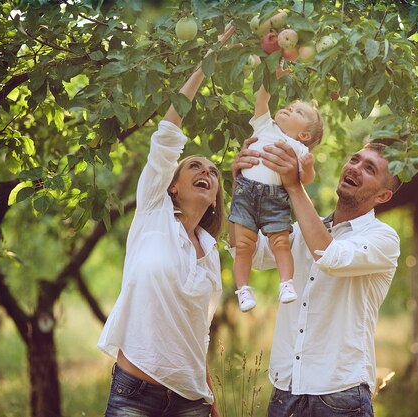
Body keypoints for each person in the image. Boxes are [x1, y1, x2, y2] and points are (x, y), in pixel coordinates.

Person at [97, 22, 235, 417]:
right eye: (195, 165)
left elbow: (198, 332)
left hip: (191, 399)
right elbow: (168, 131)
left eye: (213, 172)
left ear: (213, 202)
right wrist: (212, 56)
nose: (206, 170)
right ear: (172, 185)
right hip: (134, 393)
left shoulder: (210, 254)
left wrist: (209, 397)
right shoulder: (154, 214)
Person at [230, 138, 402, 417]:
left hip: (340, 391)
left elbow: (329, 256)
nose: (355, 168)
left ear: (383, 196)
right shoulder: (303, 230)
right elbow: (251, 253)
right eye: (355, 159)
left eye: (370, 169)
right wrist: (243, 187)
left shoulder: (383, 238)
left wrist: (294, 185)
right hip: (286, 385)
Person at [229, 61, 323, 312]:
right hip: (245, 193)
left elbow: (305, 179)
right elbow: (262, 100)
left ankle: (286, 283)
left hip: (274, 198)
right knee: (243, 246)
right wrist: (271, 78)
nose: (288, 109)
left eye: (298, 113)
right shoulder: (264, 126)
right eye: (289, 107)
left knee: (281, 242)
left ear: (304, 136)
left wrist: (309, 166)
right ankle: (243, 291)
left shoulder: (298, 149)